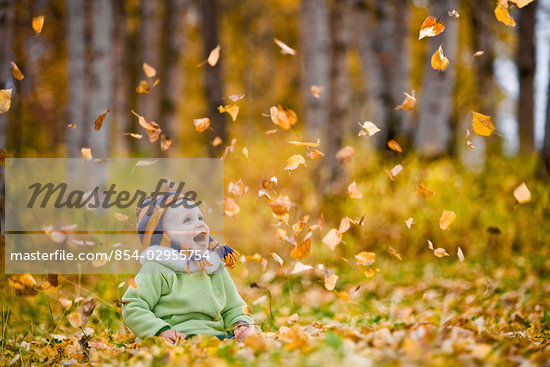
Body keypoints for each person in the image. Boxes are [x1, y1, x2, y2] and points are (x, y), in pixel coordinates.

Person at [121, 192, 254, 343]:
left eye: (200, 218)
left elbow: (234, 307)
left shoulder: (213, 267)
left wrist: (241, 324)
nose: (200, 224)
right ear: (164, 235)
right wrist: (160, 331)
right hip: (174, 339)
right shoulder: (156, 268)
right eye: (187, 220)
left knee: (247, 348)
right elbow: (133, 306)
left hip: (215, 339)